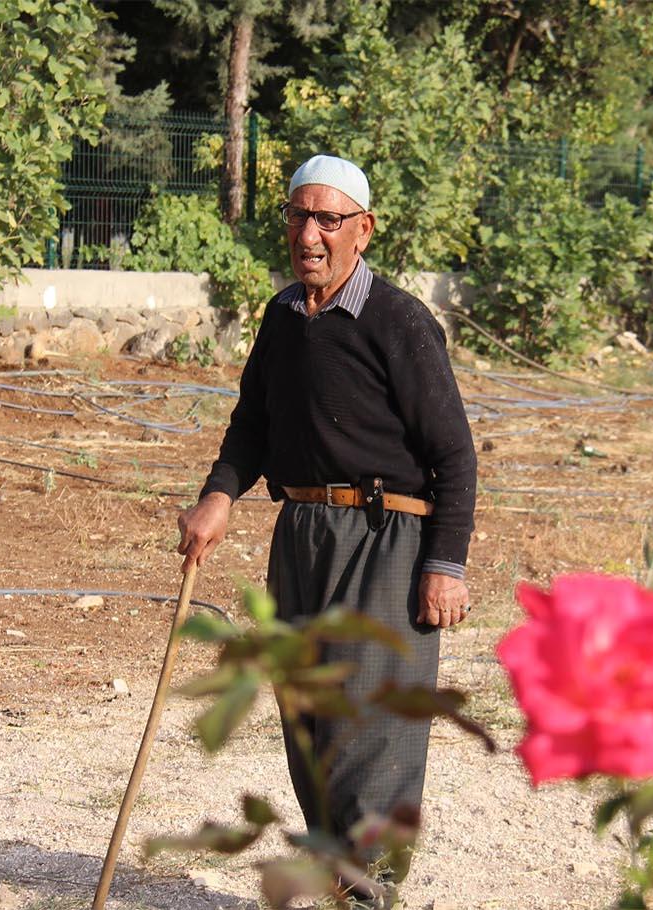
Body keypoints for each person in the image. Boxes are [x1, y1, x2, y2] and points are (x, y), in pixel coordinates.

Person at [177, 154, 477, 902]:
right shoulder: (283, 318)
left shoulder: (399, 320)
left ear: (362, 232)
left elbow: (453, 453)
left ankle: (370, 893)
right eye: (297, 216)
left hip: (386, 541)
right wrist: (219, 495)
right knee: (309, 727)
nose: (308, 234)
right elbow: (253, 423)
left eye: (328, 220)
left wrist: (446, 562)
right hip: (302, 534)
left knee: (371, 736)